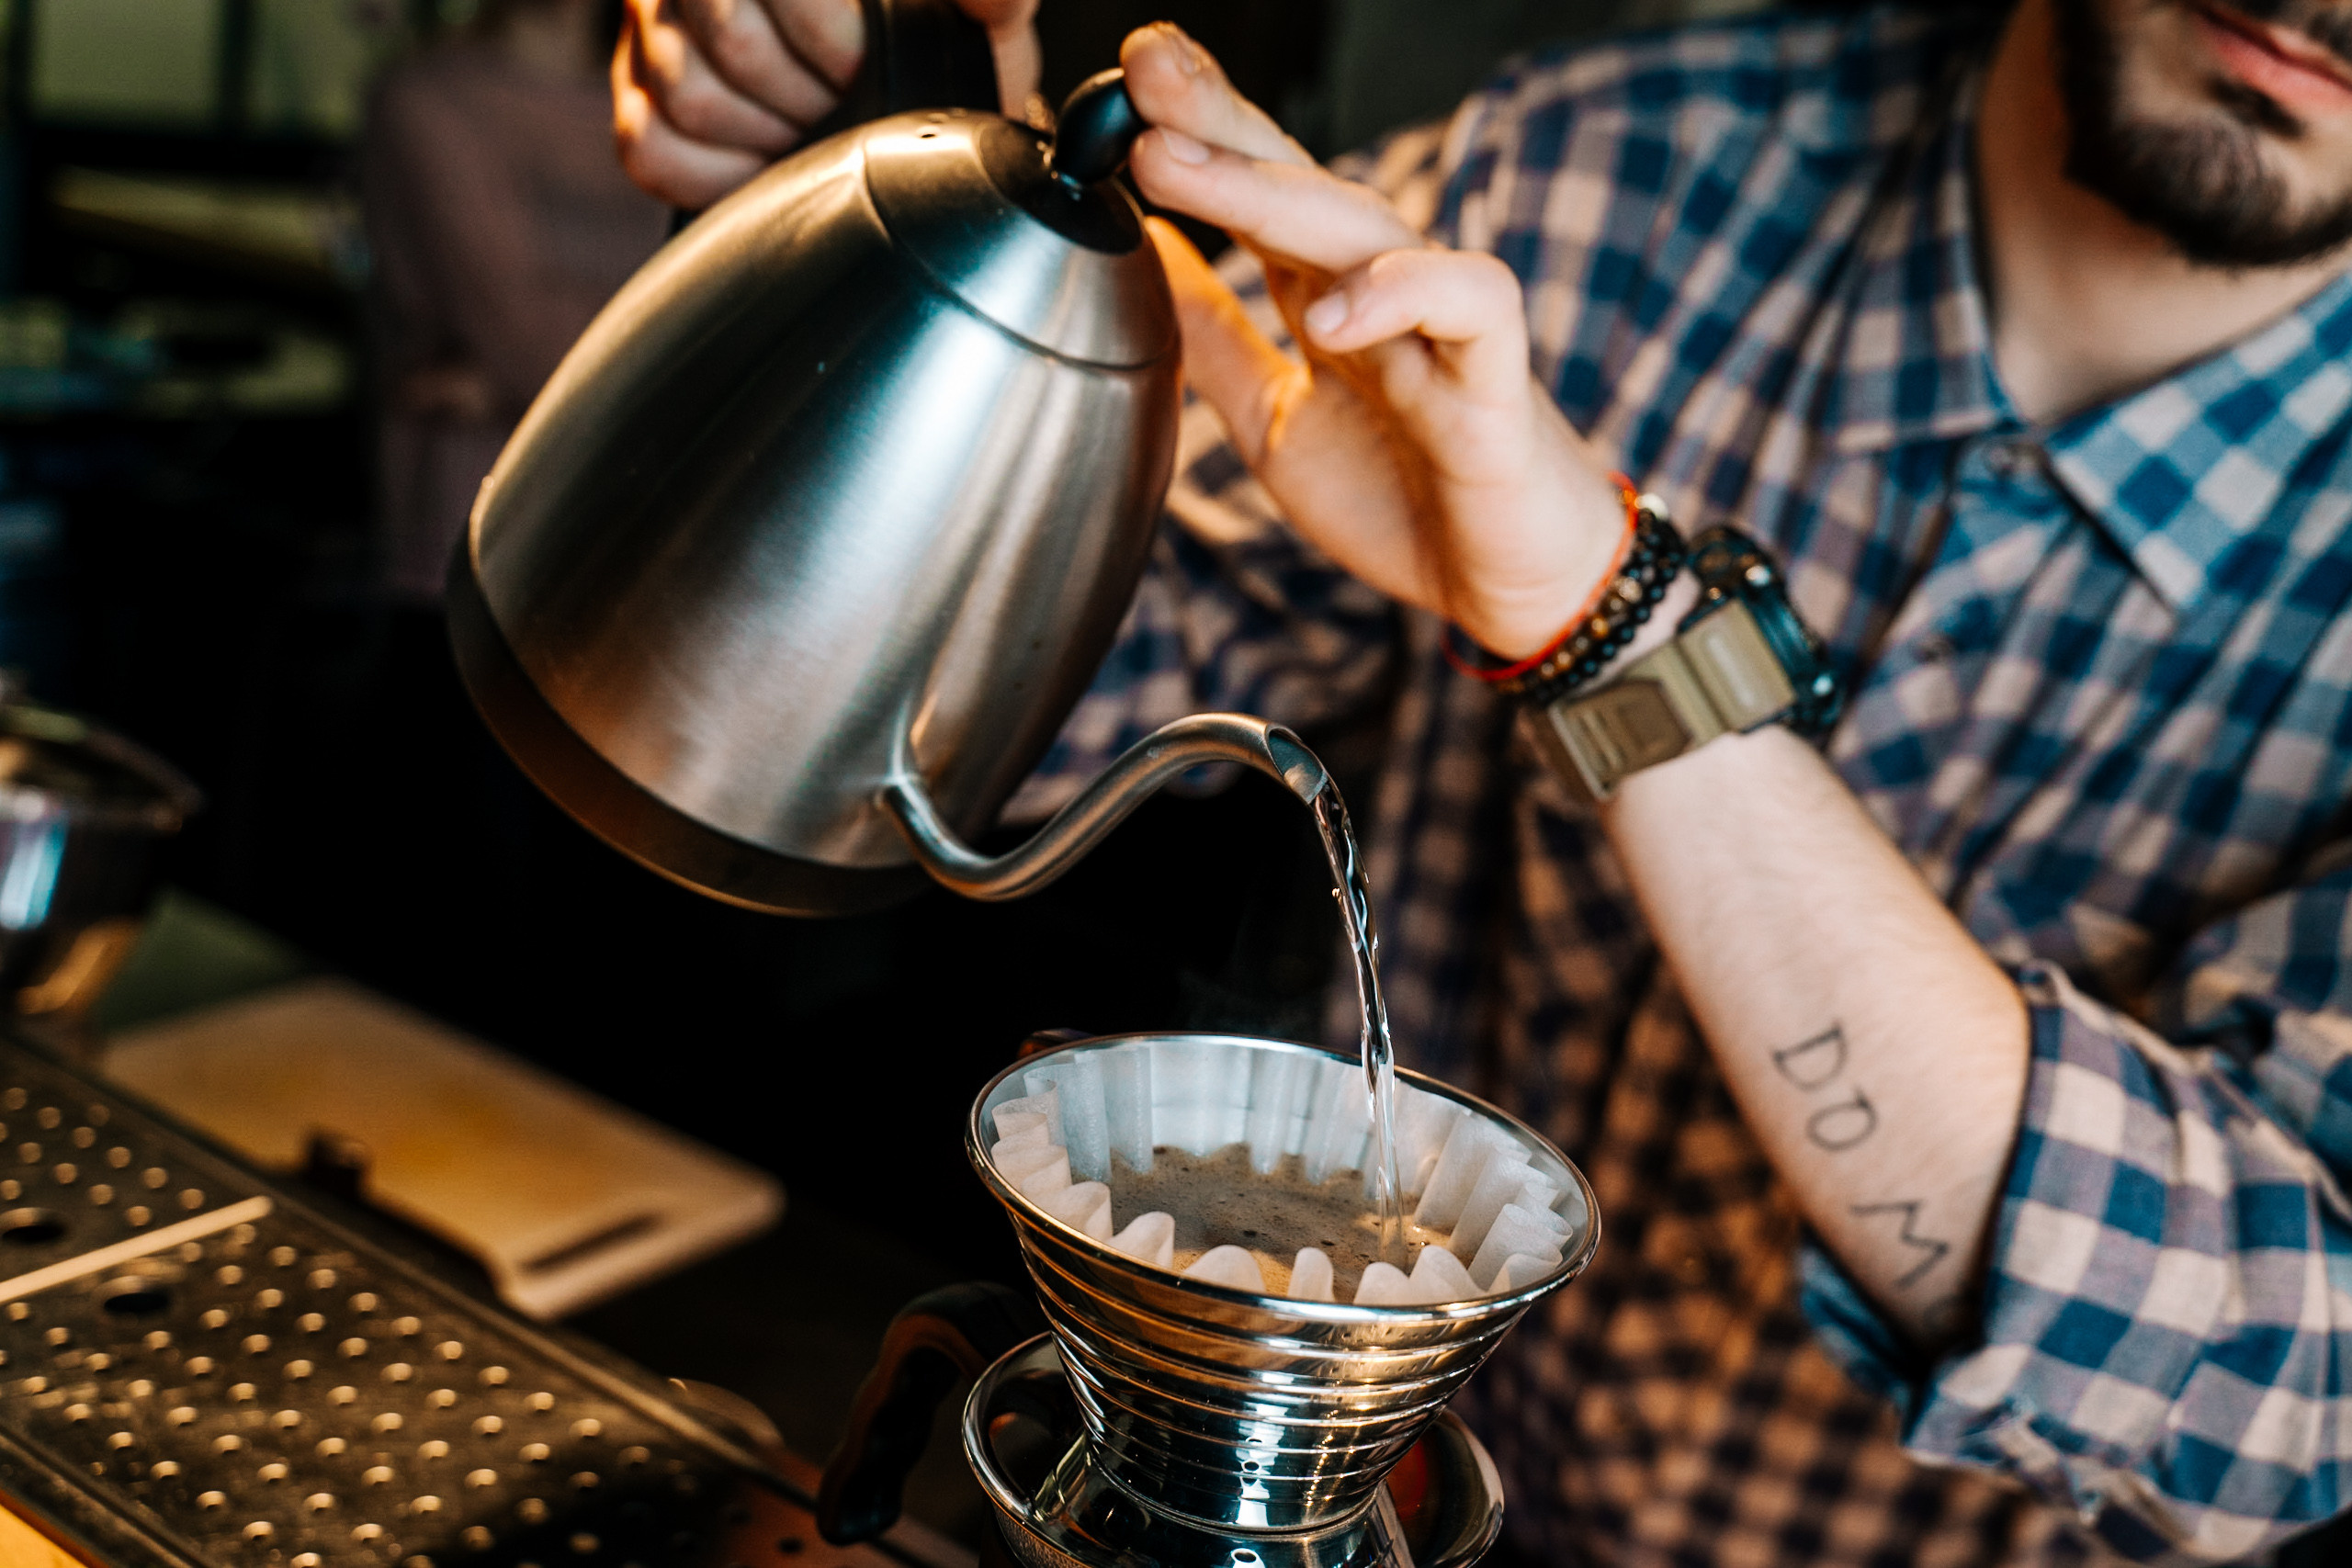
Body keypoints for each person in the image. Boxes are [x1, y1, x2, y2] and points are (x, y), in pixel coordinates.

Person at [612, 0, 2352, 1561]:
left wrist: (1611, 626)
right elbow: (922, 736)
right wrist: (895, 282)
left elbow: (2289, 1387)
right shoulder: (1598, 174)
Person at [367, 0, 666, 602]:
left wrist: (503, 383)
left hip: (651, 527)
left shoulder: (678, 97)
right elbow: (524, 334)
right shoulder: (429, 96)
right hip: (489, 531)